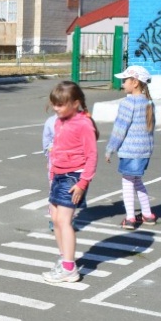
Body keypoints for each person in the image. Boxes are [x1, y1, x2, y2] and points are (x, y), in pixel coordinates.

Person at [43, 81, 99, 284]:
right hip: (58, 174)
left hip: (74, 177)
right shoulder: (60, 121)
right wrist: (52, 173)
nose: (56, 109)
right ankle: (64, 258)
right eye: (54, 105)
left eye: (60, 105)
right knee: (56, 219)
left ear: (75, 103)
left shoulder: (83, 124)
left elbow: (92, 155)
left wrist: (83, 182)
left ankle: (69, 267)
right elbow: (57, 148)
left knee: (64, 221)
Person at [106, 65, 157, 228]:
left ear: (135, 82)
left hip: (130, 150)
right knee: (137, 181)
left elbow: (120, 128)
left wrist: (110, 149)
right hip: (144, 151)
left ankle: (129, 218)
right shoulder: (148, 102)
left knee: (127, 183)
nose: (122, 83)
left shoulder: (128, 103)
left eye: (124, 80)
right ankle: (148, 215)